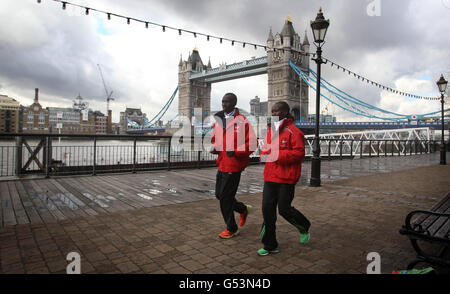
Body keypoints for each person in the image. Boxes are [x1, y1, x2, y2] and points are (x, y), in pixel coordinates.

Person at [257, 101, 310, 256]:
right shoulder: (269, 131)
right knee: (267, 210)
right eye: (272, 112)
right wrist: (264, 156)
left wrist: (277, 156)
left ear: (286, 112)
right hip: (270, 176)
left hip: (286, 178)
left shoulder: (295, 132)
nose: (274, 114)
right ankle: (270, 244)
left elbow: (299, 154)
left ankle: (304, 226)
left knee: (284, 210)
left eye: (278, 111)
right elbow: (265, 151)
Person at [210, 93, 257, 239]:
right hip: (222, 163)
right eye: (223, 102)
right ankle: (243, 209)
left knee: (225, 198)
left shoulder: (242, 121)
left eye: (227, 102)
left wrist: (236, 152)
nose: (224, 104)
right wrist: (214, 147)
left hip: (234, 165)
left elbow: (252, 144)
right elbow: (214, 139)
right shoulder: (218, 120)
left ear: (234, 103)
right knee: (220, 195)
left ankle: (231, 228)